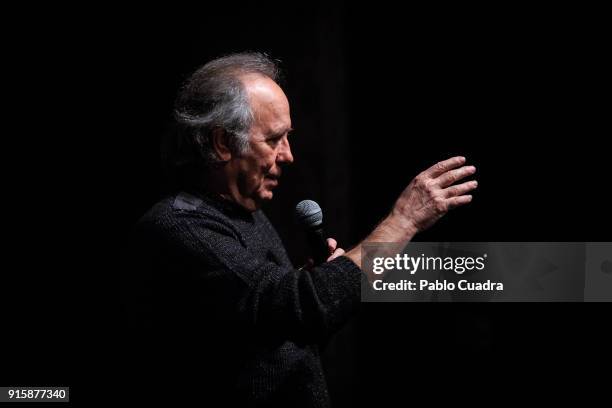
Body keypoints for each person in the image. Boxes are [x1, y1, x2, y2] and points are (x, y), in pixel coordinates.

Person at [122, 52, 478, 406]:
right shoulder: (180, 227)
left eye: (288, 137)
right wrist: (403, 221)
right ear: (222, 143)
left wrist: (326, 281)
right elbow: (299, 307)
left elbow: (287, 330)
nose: (288, 155)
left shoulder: (246, 214)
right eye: (274, 139)